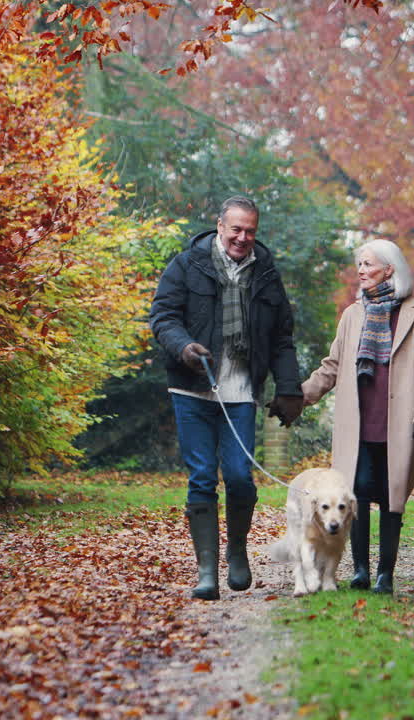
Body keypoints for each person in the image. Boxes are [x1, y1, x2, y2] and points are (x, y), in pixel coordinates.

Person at [149, 195, 305, 601]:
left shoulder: (266, 275)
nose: (242, 237)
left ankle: (237, 549)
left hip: (239, 392)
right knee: (202, 475)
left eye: (250, 231)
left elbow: (282, 339)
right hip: (192, 386)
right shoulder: (186, 265)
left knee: (239, 475)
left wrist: (289, 389)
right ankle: (206, 572)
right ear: (220, 227)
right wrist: (184, 348)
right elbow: (163, 317)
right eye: (235, 229)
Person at [301, 240, 414, 594]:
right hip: (357, 422)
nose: (360, 270)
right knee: (356, 494)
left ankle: (384, 575)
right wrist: (298, 397)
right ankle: (360, 570)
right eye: (359, 264)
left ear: (389, 270)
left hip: (399, 423)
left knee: (393, 499)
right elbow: (332, 367)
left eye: (368, 264)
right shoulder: (352, 315)